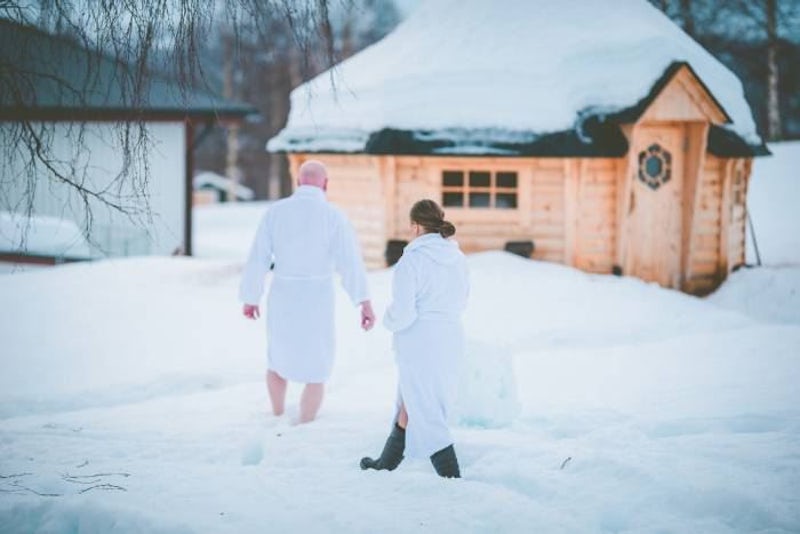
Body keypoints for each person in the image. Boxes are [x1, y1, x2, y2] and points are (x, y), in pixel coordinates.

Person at [239, 160, 375, 424]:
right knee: (317, 363)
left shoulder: (276, 212)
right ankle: (306, 422)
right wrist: (363, 301)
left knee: (277, 357)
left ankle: (277, 414)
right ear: (326, 184)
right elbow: (350, 262)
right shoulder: (333, 215)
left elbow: (258, 257)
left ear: (298, 181)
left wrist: (251, 297)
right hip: (317, 298)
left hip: (283, 294)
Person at [360, 199, 469, 478]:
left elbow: (403, 313)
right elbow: (462, 300)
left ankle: (451, 477)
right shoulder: (458, 258)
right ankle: (387, 463)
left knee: (426, 409)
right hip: (451, 338)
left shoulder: (412, 260)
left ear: (416, 226)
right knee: (414, 399)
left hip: (421, 340)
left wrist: (388, 320)